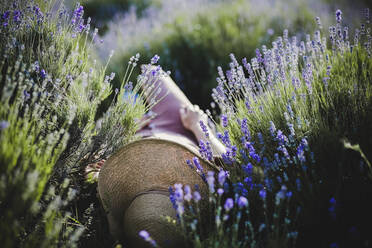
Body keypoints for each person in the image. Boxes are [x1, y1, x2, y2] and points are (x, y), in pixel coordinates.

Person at [87, 66, 226, 247]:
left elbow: (89, 165)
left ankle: (133, 105)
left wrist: (119, 133)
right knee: (151, 72)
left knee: (118, 109)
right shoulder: (212, 189)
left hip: (133, 138)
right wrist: (198, 127)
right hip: (181, 129)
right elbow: (229, 163)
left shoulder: (125, 216)